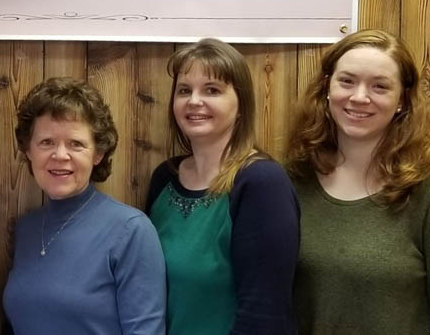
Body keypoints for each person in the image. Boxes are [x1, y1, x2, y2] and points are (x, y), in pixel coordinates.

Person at [145, 38, 298, 334]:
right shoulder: (165, 178)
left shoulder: (261, 184)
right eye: (184, 90)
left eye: (212, 90)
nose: (194, 101)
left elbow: (265, 316)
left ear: (241, 105)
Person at [286, 29, 430, 334]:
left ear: (402, 101)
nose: (360, 97)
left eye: (380, 86)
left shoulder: (422, 192)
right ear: (327, 88)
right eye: (347, 81)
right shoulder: (291, 182)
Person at [3, 77, 166, 334]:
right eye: (46, 142)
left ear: (98, 153)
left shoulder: (131, 231)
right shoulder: (27, 229)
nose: (60, 155)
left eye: (75, 144)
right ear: (28, 151)